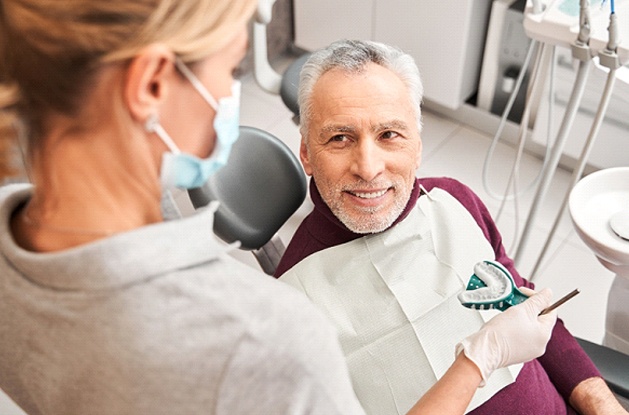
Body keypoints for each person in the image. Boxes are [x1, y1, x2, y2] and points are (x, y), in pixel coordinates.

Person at [0, 1, 556, 413]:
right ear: (150, 84)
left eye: (391, 134)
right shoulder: (265, 334)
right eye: (233, 68)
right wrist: (478, 361)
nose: (230, 96)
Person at [275, 39, 628, 414]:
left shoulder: (455, 201)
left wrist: (601, 402)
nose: (368, 167)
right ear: (307, 154)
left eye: (389, 135)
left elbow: (525, 303)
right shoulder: (288, 305)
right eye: (340, 138)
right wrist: (478, 360)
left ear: (418, 145)